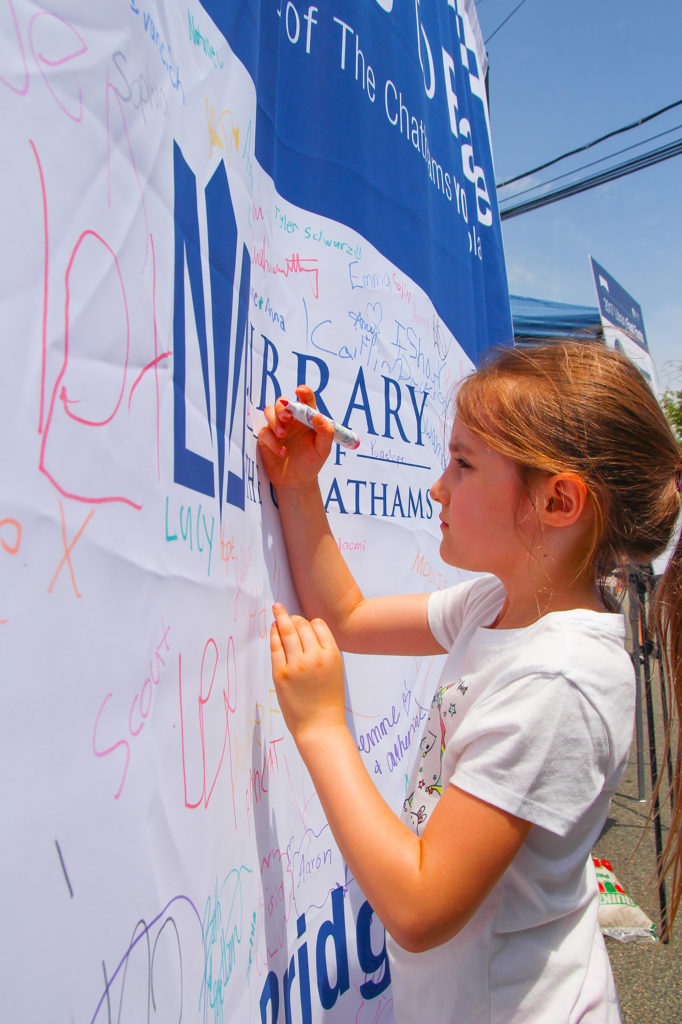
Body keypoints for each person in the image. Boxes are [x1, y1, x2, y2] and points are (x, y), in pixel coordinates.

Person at [257, 339, 682, 1024]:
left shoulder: (560, 682)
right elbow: (348, 617)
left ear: (558, 501)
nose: (438, 487)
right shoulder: (496, 604)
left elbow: (420, 907)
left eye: (463, 464)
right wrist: (301, 485)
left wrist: (322, 727)